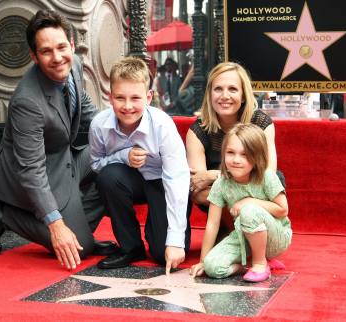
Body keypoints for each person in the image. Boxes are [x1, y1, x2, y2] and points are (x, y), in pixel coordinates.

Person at [0, 9, 117, 270]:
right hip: (33, 173)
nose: (57, 58)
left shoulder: (73, 62)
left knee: (116, 157)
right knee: (82, 247)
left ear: (71, 45)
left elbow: (82, 104)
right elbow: (31, 171)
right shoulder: (26, 102)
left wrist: (116, 132)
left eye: (62, 47)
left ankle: (76, 223)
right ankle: (3, 212)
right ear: (34, 56)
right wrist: (56, 225)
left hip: (64, 157)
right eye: (46, 51)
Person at [89, 57, 191, 274]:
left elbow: (177, 179)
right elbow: (96, 165)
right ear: (110, 97)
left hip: (163, 182)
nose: (127, 106)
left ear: (149, 97)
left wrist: (175, 241)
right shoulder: (99, 125)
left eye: (135, 98)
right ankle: (130, 246)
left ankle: (165, 234)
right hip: (130, 180)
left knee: (161, 253)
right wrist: (124, 156)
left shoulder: (162, 124)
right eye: (120, 98)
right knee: (108, 176)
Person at [190, 124, 292, 282]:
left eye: (244, 154)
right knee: (212, 267)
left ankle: (260, 263)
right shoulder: (221, 183)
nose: (236, 160)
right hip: (243, 235)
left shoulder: (267, 176)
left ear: (257, 156)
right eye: (230, 153)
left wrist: (249, 201)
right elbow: (212, 223)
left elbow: (282, 210)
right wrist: (203, 261)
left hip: (275, 237)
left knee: (249, 210)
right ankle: (247, 266)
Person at [186, 62, 281, 226]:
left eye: (232, 89)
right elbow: (197, 187)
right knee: (198, 193)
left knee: (274, 180)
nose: (224, 96)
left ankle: (248, 229)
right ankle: (229, 229)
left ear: (243, 95)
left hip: (256, 194)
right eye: (218, 89)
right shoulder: (198, 131)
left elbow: (268, 174)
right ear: (209, 94)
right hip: (220, 201)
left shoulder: (261, 123)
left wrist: (212, 175)